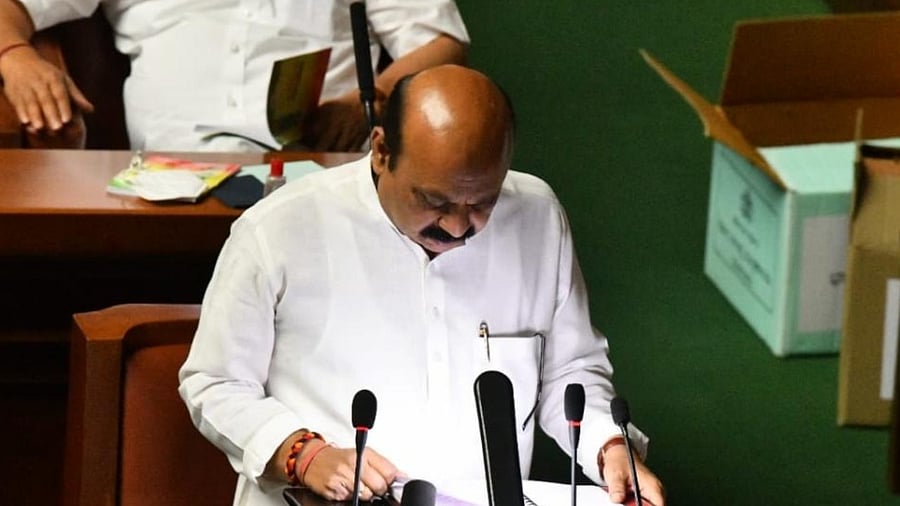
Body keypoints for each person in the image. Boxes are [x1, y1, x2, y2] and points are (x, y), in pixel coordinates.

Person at [178, 64, 666, 506]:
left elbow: (570, 370)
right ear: (381, 151)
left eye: (482, 203)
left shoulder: (537, 216)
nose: (457, 227)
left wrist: (607, 445)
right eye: (434, 201)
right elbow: (214, 382)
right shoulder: (277, 229)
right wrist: (301, 451)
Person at [0, 0, 468, 151]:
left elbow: (440, 41)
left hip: (319, 170)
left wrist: (372, 101)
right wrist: (15, 55)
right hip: (167, 183)